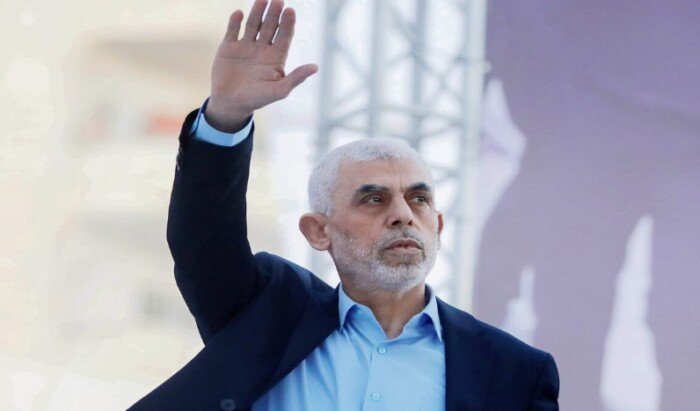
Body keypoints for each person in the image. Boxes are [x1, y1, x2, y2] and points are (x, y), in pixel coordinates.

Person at [129, 1, 559, 409]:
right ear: (319, 231)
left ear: (439, 226)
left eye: (419, 199)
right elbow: (203, 240)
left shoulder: (514, 371)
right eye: (373, 199)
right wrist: (226, 116)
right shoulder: (265, 315)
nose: (403, 215)